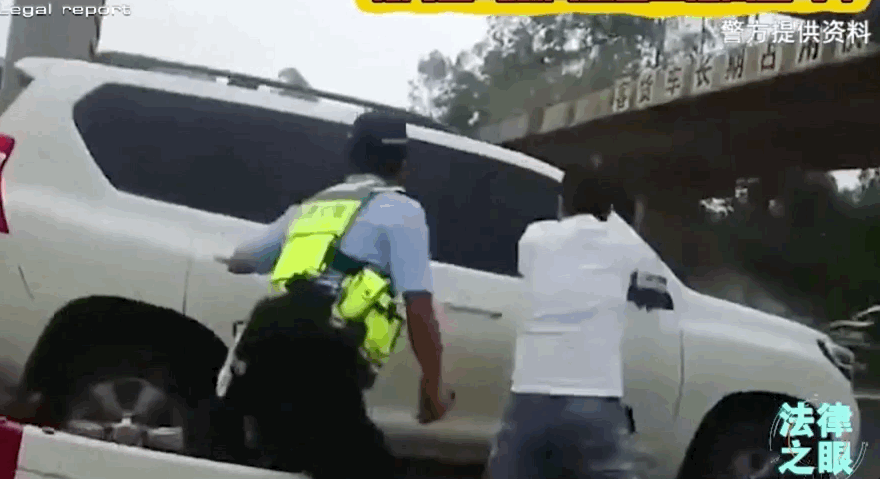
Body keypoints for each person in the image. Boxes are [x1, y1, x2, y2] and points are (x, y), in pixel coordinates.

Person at [215, 110, 454, 479]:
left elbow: (243, 259)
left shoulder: (310, 207)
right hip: (324, 355)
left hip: (266, 341)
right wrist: (432, 386)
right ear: (403, 165)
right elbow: (419, 306)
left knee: (288, 460)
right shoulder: (403, 212)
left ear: (351, 158)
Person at [486, 163, 665, 479]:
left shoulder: (534, 238)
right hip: (595, 398)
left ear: (561, 202)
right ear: (610, 209)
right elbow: (655, 286)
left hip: (530, 395)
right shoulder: (626, 245)